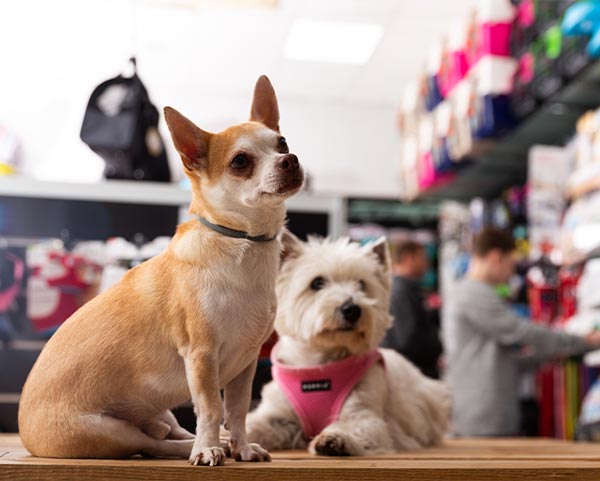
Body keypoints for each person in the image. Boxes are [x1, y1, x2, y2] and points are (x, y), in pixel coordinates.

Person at [443, 227, 600, 437]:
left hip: (486, 411)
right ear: (495, 257)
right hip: (483, 416)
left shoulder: (470, 293)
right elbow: (522, 332)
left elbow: (506, 360)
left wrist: (558, 352)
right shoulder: (472, 294)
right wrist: (585, 341)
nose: (511, 274)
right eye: (511, 265)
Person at [380, 240, 442, 379]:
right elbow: (407, 339)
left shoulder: (404, 289)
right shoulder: (401, 291)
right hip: (411, 376)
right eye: (423, 258)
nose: (426, 264)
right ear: (409, 258)